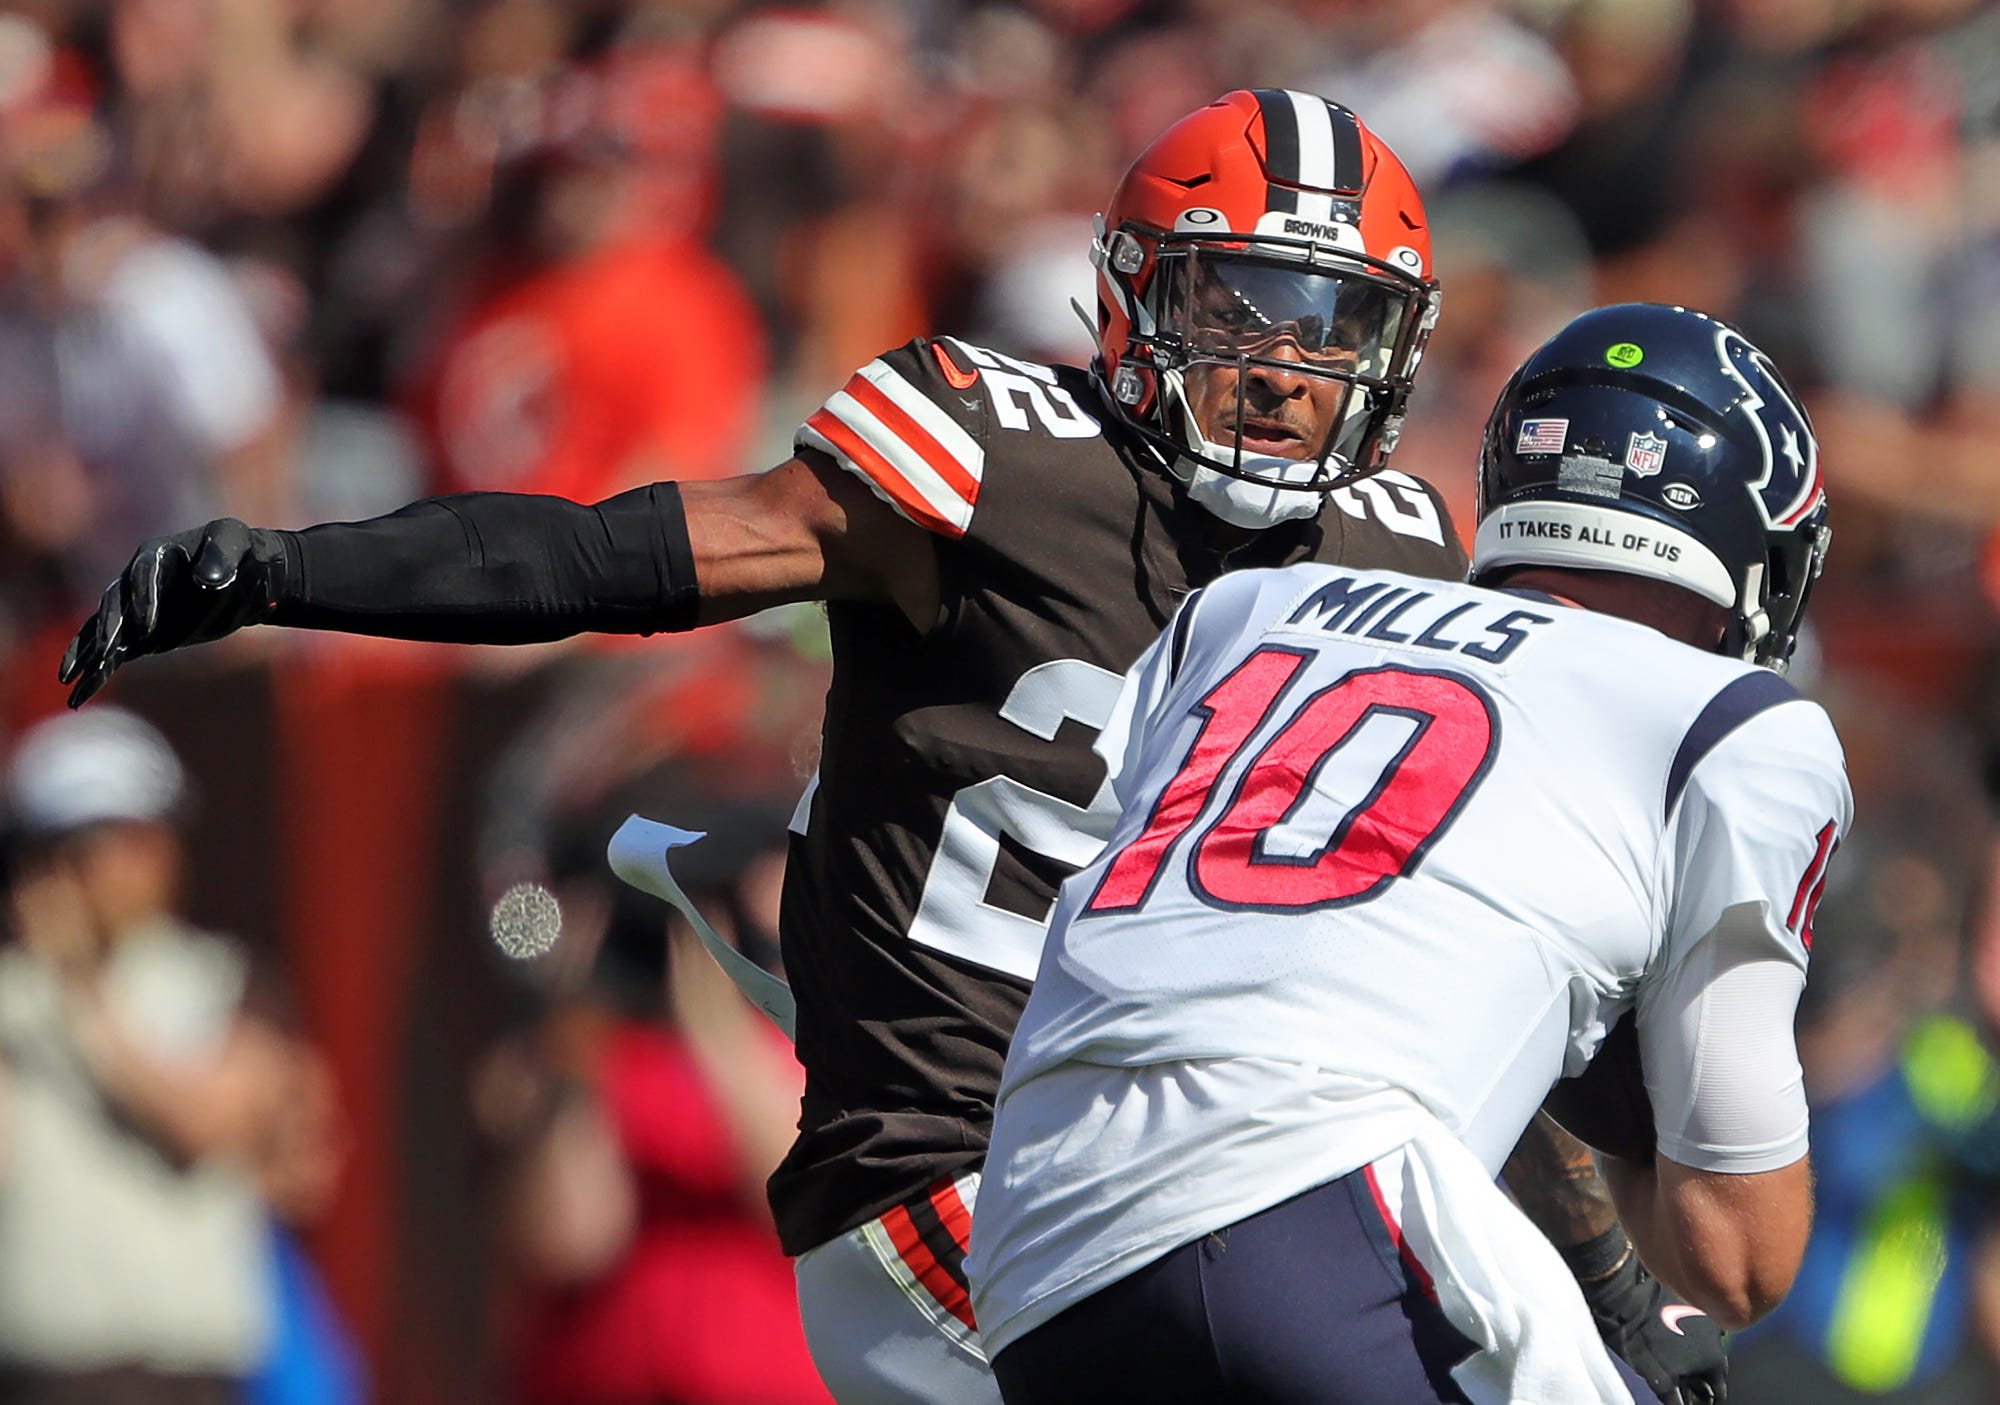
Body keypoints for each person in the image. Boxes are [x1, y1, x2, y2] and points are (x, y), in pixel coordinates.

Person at [58, 93, 1713, 1402]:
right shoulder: (996, 452)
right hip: (954, 1153)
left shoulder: (1397, 556)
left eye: (1332, 328)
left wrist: (1611, 1278)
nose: (1285, 374)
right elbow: (610, 557)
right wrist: (295, 565)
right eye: (1243, 311)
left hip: (1218, 1173)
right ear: (1138, 297)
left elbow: (1449, 964)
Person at [965, 301, 1843, 1404]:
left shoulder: (1240, 610)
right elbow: (1737, 1256)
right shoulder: (1735, 723)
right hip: (1313, 1210)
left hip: (1033, 1243)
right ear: (1752, 552)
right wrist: (1626, 1103)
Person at [0, 707, 326, 1405]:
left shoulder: (224, 979)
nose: (137, 866)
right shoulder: (9, 996)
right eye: (103, 844)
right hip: (49, 1374)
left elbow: (208, 1122)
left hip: (193, 1376)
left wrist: (81, 1002)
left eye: (148, 839)